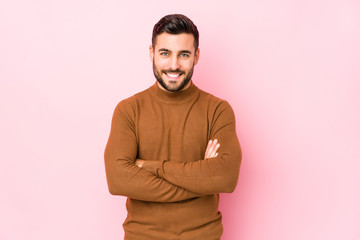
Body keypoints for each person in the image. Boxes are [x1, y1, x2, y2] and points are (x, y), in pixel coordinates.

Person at [104, 14, 242, 240]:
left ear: (196, 56)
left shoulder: (218, 110)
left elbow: (225, 177)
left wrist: (150, 167)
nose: (174, 65)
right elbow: (118, 179)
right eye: (165, 53)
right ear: (152, 53)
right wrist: (200, 180)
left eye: (184, 54)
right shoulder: (129, 110)